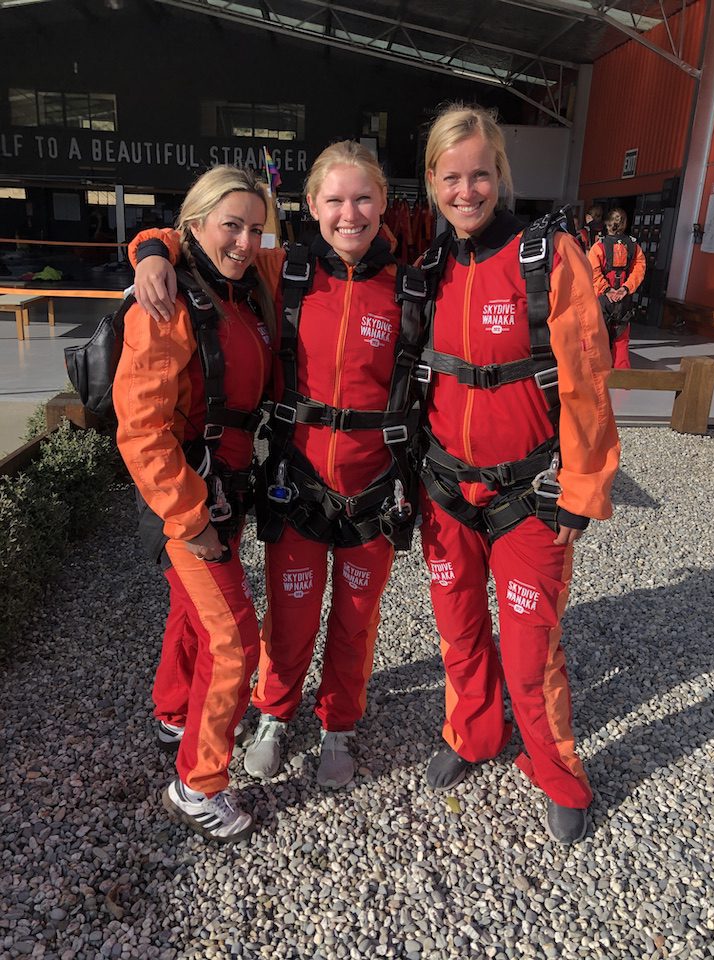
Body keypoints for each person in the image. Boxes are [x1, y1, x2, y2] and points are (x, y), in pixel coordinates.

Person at [130, 141, 421, 790]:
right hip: (299, 481)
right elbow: (197, 236)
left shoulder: (410, 286)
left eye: (364, 197)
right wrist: (149, 252)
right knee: (288, 620)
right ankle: (273, 715)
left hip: (374, 486)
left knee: (354, 621)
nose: (351, 213)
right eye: (336, 199)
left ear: (384, 204)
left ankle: (339, 723)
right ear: (311, 204)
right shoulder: (278, 268)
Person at [418, 103, 620, 844]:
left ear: (500, 174)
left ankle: (556, 768)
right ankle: (472, 734)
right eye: (451, 177)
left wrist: (585, 486)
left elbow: (588, 378)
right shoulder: (430, 264)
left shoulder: (547, 257)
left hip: (530, 494)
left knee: (532, 649)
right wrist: (151, 249)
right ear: (433, 181)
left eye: (480, 174)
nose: (466, 191)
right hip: (444, 488)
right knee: (460, 629)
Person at [114, 165, 275, 843]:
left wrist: (150, 244)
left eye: (255, 228)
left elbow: (337, 236)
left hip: (224, 491)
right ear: (196, 226)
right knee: (235, 638)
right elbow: (143, 428)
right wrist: (191, 519)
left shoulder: (243, 287)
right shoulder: (168, 304)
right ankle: (198, 783)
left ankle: (174, 712)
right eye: (229, 225)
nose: (243, 240)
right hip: (190, 501)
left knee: (192, 610)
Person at [588, 207, 646, 369]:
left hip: (602, 298)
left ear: (607, 224)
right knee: (621, 338)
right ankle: (622, 376)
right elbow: (639, 270)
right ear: (624, 224)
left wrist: (607, 290)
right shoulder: (634, 246)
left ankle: (599, 372)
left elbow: (593, 271)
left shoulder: (598, 247)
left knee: (598, 337)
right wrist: (626, 289)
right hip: (624, 298)